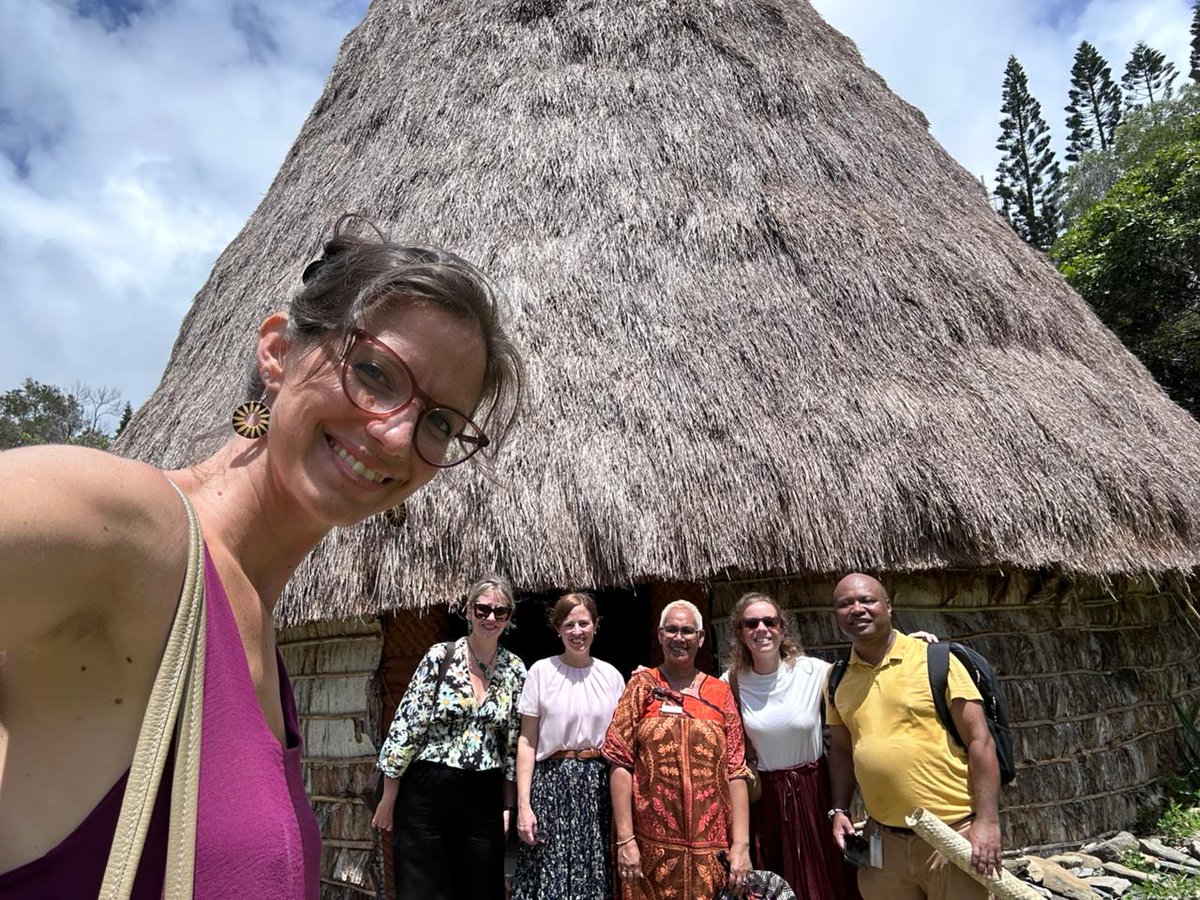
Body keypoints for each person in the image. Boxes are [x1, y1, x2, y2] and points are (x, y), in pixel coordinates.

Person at [0, 214, 522, 898]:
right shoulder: (129, 531)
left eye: (441, 422)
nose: (399, 437)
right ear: (277, 352)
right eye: (375, 372)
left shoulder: (253, 628)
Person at [826, 573, 1002, 900]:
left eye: (867, 600)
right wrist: (839, 809)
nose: (857, 609)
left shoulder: (935, 660)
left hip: (949, 835)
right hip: (883, 840)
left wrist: (988, 823)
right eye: (845, 604)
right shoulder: (837, 678)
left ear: (888, 606)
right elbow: (841, 750)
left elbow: (980, 741)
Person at [371, 576, 526, 899]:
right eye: (482, 609)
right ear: (468, 610)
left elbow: (512, 744)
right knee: (423, 888)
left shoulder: (514, 669)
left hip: (483, 793)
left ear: (509, 617)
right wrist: (389, 795)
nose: (491, 618)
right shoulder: (441, 656)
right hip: (428, 789)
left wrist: (508, 806)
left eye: (500, 611)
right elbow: (407, 725)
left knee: (481, 888)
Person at [603, 600, 752, 900]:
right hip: (649, 846)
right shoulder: (642, 687)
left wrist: (741, 845)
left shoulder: (720, 693)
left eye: (687, 631)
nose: (679, 638)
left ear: (701, 637)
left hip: (710, 848)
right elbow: (620, 761)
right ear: (660, 635)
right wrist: (626, 840)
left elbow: (736, 771)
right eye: (671, 630)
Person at [721, 592, 860, 900]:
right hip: (767, 803)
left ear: (781, 629)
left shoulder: (811, 671)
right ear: (740, 633)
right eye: (751, 623)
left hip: (815, 794)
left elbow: (862, 672)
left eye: (769, 622)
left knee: (827, 884)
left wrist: (907, 643)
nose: (761, 629)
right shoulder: (730, 683)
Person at [512, 592, 625, 900]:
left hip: (598, 787)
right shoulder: (541, 672)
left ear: (596, 626)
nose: (577, 632)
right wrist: (524, 806)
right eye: (569, 625)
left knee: (595, 871)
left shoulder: (611, 677)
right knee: (550, 873)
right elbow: (527, 742)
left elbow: (624, 741)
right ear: (558, 629)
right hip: (551, 785)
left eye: (584, 623)